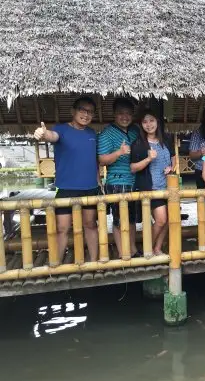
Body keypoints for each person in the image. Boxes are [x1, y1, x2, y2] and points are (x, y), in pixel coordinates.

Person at [33, 96, 100, 262]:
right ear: (73, 111)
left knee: (90, 225)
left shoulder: (92, 133)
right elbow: (52, 136)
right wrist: (43, 133)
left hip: (90, 188)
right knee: (62, 228)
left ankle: (95, 261)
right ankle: (55, 263)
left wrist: (99, 183)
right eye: (82, 110)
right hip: (66, 188)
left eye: (90, 112)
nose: (86, 114)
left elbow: (94, 161)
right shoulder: (61, 129)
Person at [97, 98, 140, 258]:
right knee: (119, 220)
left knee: (132, 219)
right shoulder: (107, 133)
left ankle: (133, 249)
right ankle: (123, 252)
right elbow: (102, 160)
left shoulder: (136, 130)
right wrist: (119, 152)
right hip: (117, 182)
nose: (125, 116)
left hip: (134, 181)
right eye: (121, 113)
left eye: (128, 113)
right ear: (114, 114)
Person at [130, 109, 176, 256]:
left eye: (151, 120)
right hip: (151, 188)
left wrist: (171, 167)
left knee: (168, 220)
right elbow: (133, 168)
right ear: (141, 125)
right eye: (145, 121)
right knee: (161, 220)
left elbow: (174, 157)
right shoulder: (139, 143)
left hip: (168, 186)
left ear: (157, 121)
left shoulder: (167, 139)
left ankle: (157, 248)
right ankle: (147, 248)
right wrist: (148, 159)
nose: (148, 124)